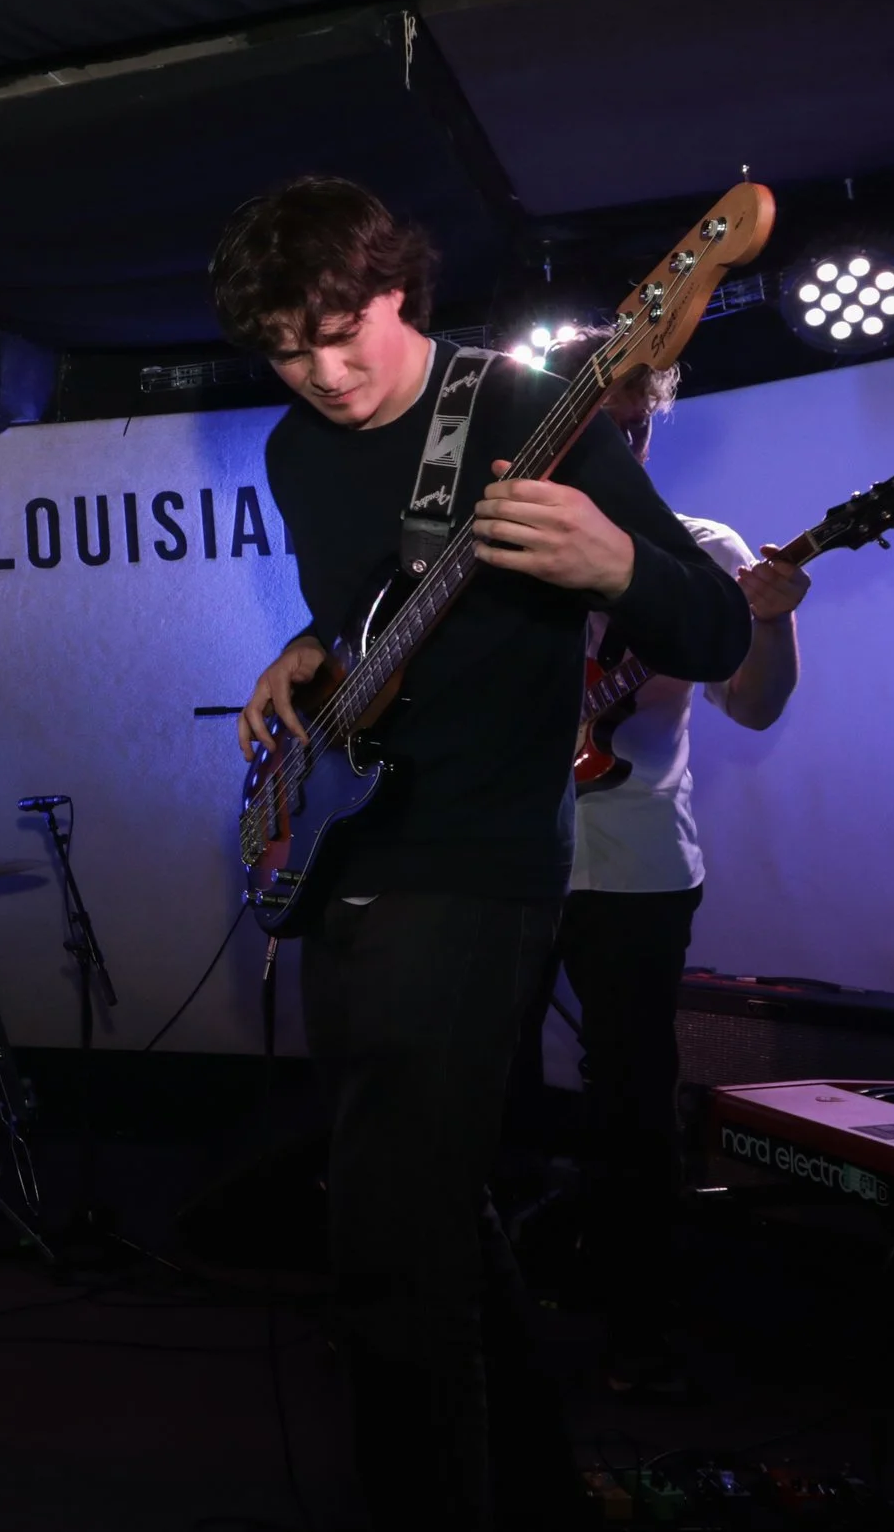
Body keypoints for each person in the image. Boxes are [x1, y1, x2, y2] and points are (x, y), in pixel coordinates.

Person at [215, 176, 751, 1529]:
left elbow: (716, 630)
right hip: (351, 854)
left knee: (386, 1253)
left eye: (342, 329)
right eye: (288, 347)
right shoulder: (292, 450)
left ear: (400, 285)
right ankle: (533, 1494)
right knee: (423, 1217)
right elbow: (367, 616)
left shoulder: (519, 408)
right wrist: (310, 659)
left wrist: (612, 565)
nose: (323, 371)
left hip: (480, 865)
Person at [558, 358, 808, 1397]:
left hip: (638, 862)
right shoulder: (508, 546)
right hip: (506, 855)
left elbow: (753, 707)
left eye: (632, 428)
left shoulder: (702, 551)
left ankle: (637, 1325)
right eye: (594, 429)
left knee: (630, 1096)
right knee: (468, 1087)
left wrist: (771, 613)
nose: (619, 447)